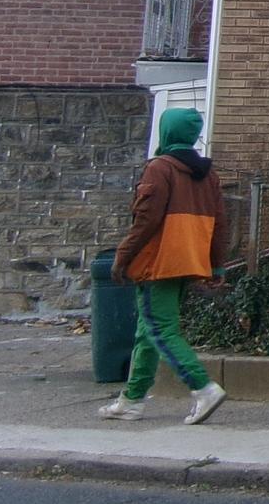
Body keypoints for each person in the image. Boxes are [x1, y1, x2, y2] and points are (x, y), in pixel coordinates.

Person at [97, 106, 229, 424]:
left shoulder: (160, 168)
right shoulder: (207, 175)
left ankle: (203, 387)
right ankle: (132, 400)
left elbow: (146, 220)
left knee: (161, 329)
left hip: (159, 262)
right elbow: (221, 222)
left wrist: (123, 255)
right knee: (148, 331)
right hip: (189, 260)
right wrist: (216, 266)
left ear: (166, 132)